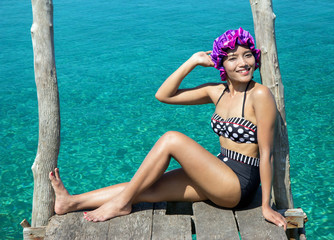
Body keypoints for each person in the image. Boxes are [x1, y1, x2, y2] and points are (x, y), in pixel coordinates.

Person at [49, 27, 287, 229]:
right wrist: (192, 61)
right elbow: (164, 95)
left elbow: (267, 154)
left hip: (239, 184)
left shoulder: (260, 95)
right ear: (221, 63)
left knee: (172, 139)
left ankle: (121, 204)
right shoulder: (217, 91)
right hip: (219, 170)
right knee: (146, 187)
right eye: (233, 58)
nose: (243, 63)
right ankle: (71, 203)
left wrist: (265, 205)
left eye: (247, 55)